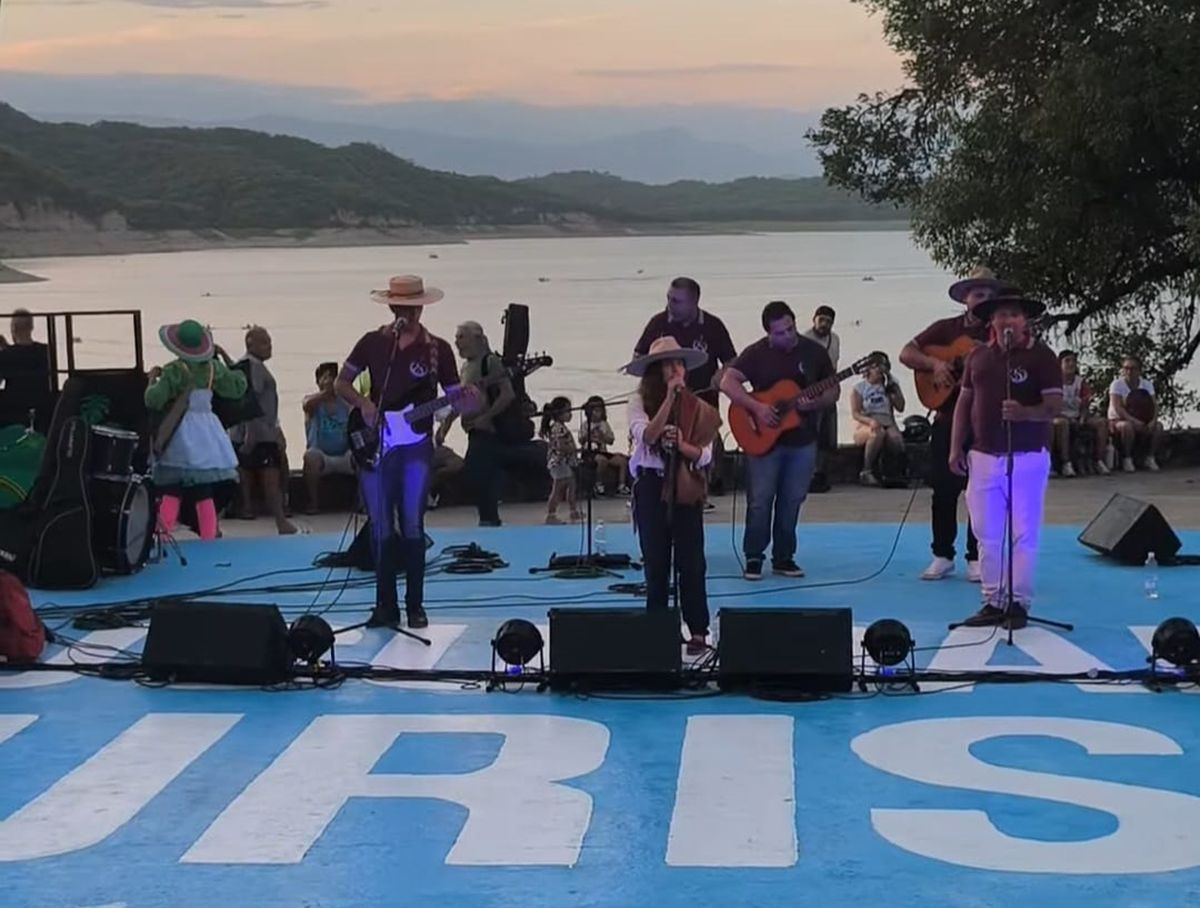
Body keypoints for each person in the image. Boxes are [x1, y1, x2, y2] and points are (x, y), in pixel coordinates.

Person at [334, 274, 476, 629]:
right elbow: (341, 382)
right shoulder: (371, 343)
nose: (408, 315)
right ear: (392, 308)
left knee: (412, 524)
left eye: (414, 309)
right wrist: (364, 404)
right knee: (380, 526)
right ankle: (385, 606)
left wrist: (468, 400)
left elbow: (454, 397)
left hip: (415, 447)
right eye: (402, 308)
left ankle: (415, 606)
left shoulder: (438, 349)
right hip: (376, 443)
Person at [950, 295, 1062, 629]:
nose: (1008, 321)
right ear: (992, 322)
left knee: (1023, 533)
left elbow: (1054, 407)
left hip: (1027, 455)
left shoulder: (1042, 356)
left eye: (1014, 315)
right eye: (1001, 315)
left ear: (1025, 321)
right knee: (986, 533)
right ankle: (993, 599)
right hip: (983, 455)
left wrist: (1025, 413)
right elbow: (964, 403)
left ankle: (1018, 602)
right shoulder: (979, 357)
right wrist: (955, 447)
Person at [900, 266, 1015, 582]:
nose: (983, 299)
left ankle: (976, 556)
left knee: (982, 492)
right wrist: (936, 364)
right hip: (947, 419)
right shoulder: (944, 329)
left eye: (989, 294)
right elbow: (906, 353)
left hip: (985, 423)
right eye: (978, 294)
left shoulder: (1001, 332)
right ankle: (942, 555)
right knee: (943, 489)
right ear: (965, 298)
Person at [720, 300, 837, 580]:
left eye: (791, 328)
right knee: (760, 500)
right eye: (780, 333)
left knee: (792, 499)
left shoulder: (814, 352)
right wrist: (758, 408)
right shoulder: (756, 353)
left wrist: (815, 403)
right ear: (768, 333)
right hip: (764, 439)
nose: (788, 336)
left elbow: (833, 390)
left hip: (803, 439)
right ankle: (754, 556)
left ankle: (784, 557)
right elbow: (727, 382)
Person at [622, 337, 722, 655]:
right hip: (651, 486)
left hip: (684, 486)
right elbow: (647, 435)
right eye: (668, 365)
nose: (676, 370)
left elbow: (705, 456)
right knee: (656, 561)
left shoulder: (699, 409)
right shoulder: (638, 403)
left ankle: (698, 630)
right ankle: (658, 628)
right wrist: (668, 400)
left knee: (691, 562)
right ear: (656, 371)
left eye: (679, 364)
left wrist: (681, 445)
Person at [144, 319, 247, 541]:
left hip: (179, 429)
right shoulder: (213, 368)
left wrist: (152, 380)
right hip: (207, 430)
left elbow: (154, 400)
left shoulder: (173, 370)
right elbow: (237, 387)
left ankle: (163, 535)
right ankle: (209, 536)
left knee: (171, 488)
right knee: (204, 490)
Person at [441, 320, 518, 527]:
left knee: (477, 472)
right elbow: (459, 401)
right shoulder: (466, 367)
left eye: (461, 337)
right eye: (456, 338)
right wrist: (445, 427)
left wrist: (487, 416)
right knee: (478, 473)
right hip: (471, 429)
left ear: (477, 339)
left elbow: (507, 394)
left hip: (487, 430)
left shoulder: (489, 362)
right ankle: (488, 517)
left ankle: (490, 518)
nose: (457, 343)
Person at [227, 326, 296, 534]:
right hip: (259, 433)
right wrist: (251, 434)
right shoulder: (254, 367)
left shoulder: (246, 365)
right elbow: (251, 400)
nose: (270, 346)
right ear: (251, 344)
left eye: (270, 342)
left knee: (262, 474)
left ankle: (275, 518)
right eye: (265, 342)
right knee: (270, 478)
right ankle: (280, 520)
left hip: (260, 430)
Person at [633, 277, 738, 408]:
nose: (669, 305)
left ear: (694, 302)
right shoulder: (658, 323)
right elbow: (638, 357)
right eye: (668, 298)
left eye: (676, 301)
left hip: (703, 402)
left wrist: (723, 374)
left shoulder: (713, 325)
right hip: (662, 403)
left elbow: (731, 361)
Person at [301, 361, 354, 513]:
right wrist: (326, 393)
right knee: (310, 457)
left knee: (365, 456)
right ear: (318, 381)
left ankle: (363, 503)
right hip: (322, 456)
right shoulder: (312, 402)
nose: (330, 381)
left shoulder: (346, 404)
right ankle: (313, 503)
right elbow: (307, 405)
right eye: (326, 377)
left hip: (345, 456)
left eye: (333, 378)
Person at [850, 351, 905, 485]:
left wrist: (893, 394)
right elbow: (855, 413)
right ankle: (866, 471)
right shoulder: (859, 388)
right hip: (867, 423)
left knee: (896, 439)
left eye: (883, 367)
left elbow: (901, 407)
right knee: (877, 434)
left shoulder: (890, 386)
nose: (879, 371)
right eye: (876, 367)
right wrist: (870, 421)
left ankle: (893, 472)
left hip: (887, 421)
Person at [1053, 350, 1110, 477]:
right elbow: (1052, 406)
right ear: (1060, 364)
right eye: (1067, 361)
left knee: (1101, 423)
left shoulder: (1081, 382)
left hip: (1077, 415)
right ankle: (1066, 463)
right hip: (1060, 416)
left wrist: (1082, 418)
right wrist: (1067, 418)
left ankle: (1099, 460)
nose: (1071, 364)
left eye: (1073, 361)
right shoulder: (1054, 382)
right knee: (1063, 424)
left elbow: (1085, 404)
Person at [803, 304, 840, 492]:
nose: (824, 324)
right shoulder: (805, 339)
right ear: (814, 320)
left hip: (828, 390)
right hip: (810, 392)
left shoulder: (835, 340)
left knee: (827, 435)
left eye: (828, 321)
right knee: (812, 434)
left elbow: (834, 366)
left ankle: (820, 473)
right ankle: (808, 474)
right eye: (821, 320)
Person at [1108, 355, 1163, 473]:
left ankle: (1150, 457)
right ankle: (1127, 458)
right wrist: (1133, 421)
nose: (1129, 372)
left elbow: (1154, 405)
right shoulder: (1116, 385)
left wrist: (1153, 420)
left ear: (1139, 370)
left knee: (1158, 427)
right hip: (1118, 420)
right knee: (1126, 426)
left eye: (1132, 368)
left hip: (1142, 419)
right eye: (1126, 368)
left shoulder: (1147, 384)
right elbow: (1118, 408)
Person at [0, 309, 52, 429]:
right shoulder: (46, 351)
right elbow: (25, 356)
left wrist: (5, 351)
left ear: (13, 328)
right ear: (31, 327)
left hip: (12, 412)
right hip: (43, 410)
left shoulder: (5, 355)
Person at [540, 396, 581, 524]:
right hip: (559, 463)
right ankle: (551, 514)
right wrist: (574, 450)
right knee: (558, 488)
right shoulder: (558, 428)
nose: (570, 414)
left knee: (571, 484)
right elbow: (561, 446)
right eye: (568, 411)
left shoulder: (560, 427)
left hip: (563, 463)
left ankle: (573, 510)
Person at [580, 395, 630, 495]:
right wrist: (589, 435)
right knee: (602, 461)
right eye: (595, 411)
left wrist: (603, 436)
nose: (597, 413)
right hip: (590, 452)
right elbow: (581, 440)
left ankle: (621, 485)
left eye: (600, 411)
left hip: (603, 451)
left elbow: (611, 440)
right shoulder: (585, 424)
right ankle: (598, 484)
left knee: (622, 461)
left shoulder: (604, 424)